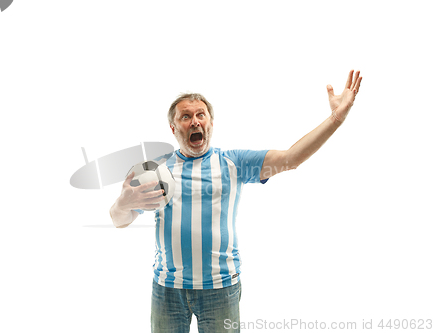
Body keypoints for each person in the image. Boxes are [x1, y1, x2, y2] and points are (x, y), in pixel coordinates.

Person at [110, 70, 363, 333]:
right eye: (186, 116)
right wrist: (123, 203)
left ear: (210, 123)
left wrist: (335, 118)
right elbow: (118, 221)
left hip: (220, 288)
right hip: (167, 290)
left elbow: (292, 158)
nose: (195, 121)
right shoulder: (158, 171)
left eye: (201, 115)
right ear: (174, 129)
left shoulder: (233, 162)